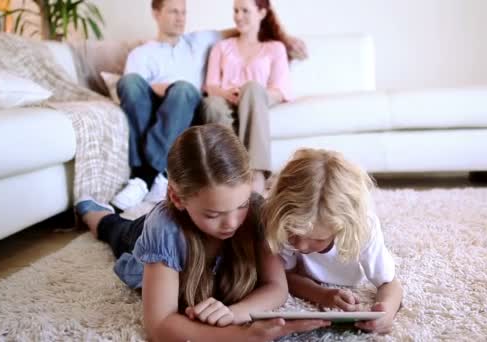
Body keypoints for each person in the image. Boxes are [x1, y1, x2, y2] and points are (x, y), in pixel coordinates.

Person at [76, 124, 329, 340]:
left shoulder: (256, 211)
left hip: (185, 224)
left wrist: (235, 314)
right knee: (115, 231)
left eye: (240, 206)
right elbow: (158, 325)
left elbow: (276, 286)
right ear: (177, 197)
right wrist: (234, 336)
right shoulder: (163, 229)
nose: (231, 223)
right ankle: (94, 212)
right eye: (213, 214)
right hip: (145, 232)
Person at [112, 0, 307, 209]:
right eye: (173, 12)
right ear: (156, 13)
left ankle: (143, 178)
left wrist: (282, 37)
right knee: (130, 82)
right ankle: (151, 176)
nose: (180, 18)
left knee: (185, 90)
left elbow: (244, 28)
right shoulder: (140, 54)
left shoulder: (199, 41)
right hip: (153, 105)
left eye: (183, 12)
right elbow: (133, 95)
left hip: (185, 105)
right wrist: (165, 88)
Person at [263, 148, 404, 335]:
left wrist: (386, 312)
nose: (301, 246)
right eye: (294, 234)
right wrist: (323, 295)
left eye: (318, 239)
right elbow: (286, 276)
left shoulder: (363, 229)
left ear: (343, 228)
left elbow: (390, 284)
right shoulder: (286, 221)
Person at [201, 0, 292, 193]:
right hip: (225, 100)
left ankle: (255, 174)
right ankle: (228, 176)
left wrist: (249, 93)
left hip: (257, 98)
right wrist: (227, 93)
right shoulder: (221, 47)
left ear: (261, 13)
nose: (238, 16)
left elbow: (279, 89)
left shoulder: (275, 48)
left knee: (251, 88)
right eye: (235, 11)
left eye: (245, 11)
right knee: (212, 105)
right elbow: (211, 85)